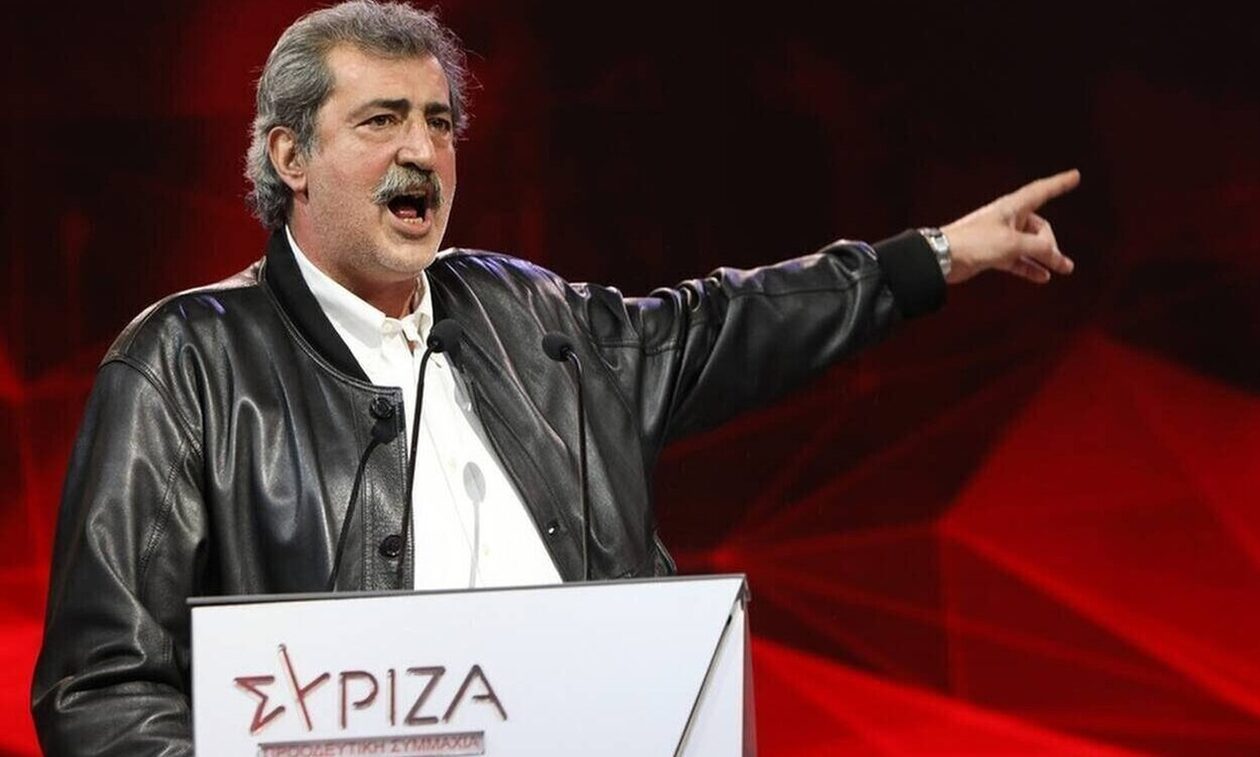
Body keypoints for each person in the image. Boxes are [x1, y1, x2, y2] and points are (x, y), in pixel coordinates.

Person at [31, 1, 1079, 753]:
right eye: (382, 120)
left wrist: (936, 256)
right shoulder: (186, 362)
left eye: (440, 122)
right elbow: (100, 690)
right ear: (289, 157)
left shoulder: (528, 318)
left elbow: (723, 325)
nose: (423, 151)